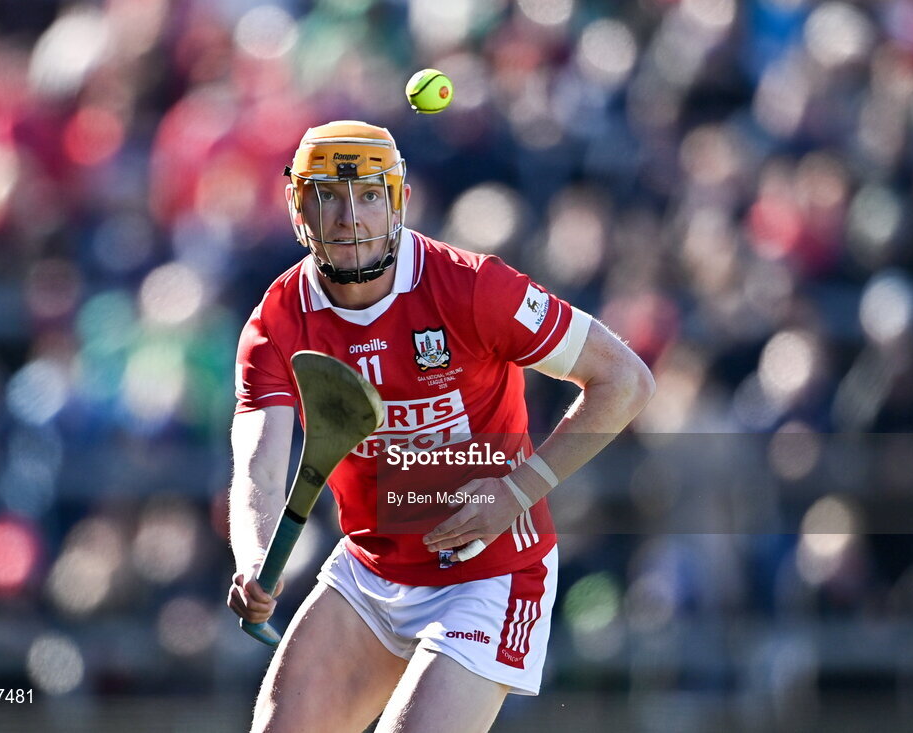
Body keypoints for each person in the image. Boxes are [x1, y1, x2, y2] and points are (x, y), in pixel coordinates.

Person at [226, 120, 654, 733]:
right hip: (371, 568)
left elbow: (626, 381)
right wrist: (253, 557)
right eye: (328, 196)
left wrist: (518, 490)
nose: (351, 216)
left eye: (369, 195)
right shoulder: (277, 321)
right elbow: (258, 464)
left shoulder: (473, 288)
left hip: (490, 572)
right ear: (299, 209)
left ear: (398, 201)